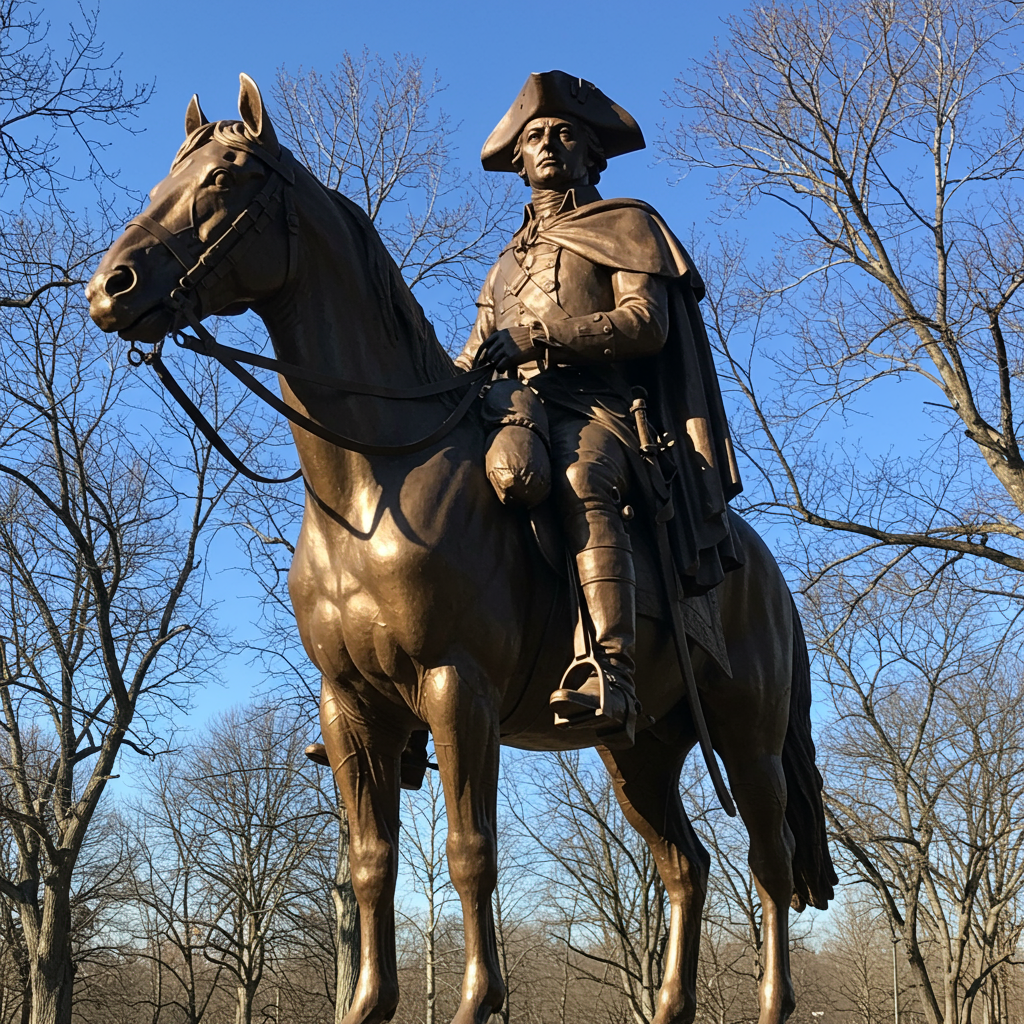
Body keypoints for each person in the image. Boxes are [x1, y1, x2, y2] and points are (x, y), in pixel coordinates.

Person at [456, 71, 742, 747]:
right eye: (535, 138)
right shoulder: (501, 267)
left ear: (591, 154)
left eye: (564, 134)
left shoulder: (627, 226)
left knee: (584, 479)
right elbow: (474, 353)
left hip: (601, 410)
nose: (549, 145)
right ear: (519, 161)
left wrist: (542, 336)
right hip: (512, 411)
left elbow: (647, 323)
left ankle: (608, 665)